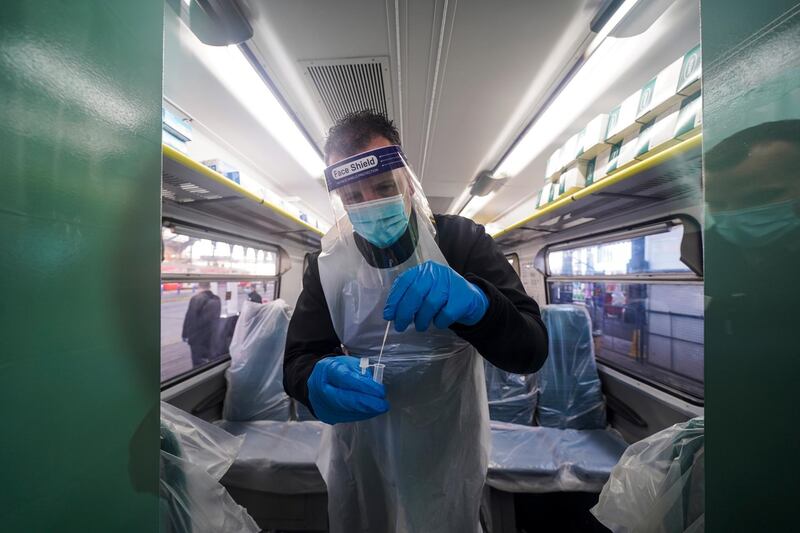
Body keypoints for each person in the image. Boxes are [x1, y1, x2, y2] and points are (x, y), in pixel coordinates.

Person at [283, 110, 548, 532]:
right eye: (353, 196)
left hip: (448, 442)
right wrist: (313, 380)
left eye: (384, 187)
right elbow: (298, 358)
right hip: (360, 445)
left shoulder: (461, 241)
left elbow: (531, 350)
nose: (370, 205)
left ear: (407, 180)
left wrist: (479, 303)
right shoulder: (328, 265)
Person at [182, 281, 221, 367]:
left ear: (199, 286)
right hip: (211, 337)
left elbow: (190, 319)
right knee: (210, 360)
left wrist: (185, 335)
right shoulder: (217, 299)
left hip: (198, 339)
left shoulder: (196, 299)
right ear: (209, 286)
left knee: (197, 363)